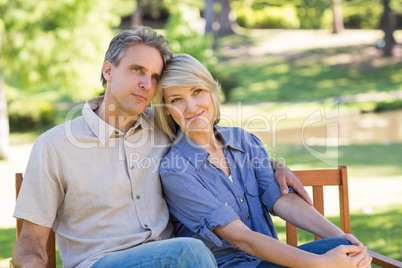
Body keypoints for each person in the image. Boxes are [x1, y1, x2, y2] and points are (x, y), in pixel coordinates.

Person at [12, 26, 307, 268]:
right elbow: (31, 240)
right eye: (137, 70)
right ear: (108, 71)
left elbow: (219, 141)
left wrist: (273, 165)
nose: (145, 83)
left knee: (338, 250)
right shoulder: (55, 145)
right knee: (187, 253)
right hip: (104, 262)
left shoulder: (166, 125)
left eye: (154, 77)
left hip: (174, 261)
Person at [154, 53, 373, 268]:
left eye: (197, 91)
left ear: (212, 92)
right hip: (233, 265)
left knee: (344, 248)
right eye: (176, 100)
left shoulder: (244, 141)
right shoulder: (175, 171)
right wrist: (320, 263)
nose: (191, 107)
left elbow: (283, 200)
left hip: (272, 261)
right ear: (167, 111)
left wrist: (347, 239)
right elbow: (241, 238)